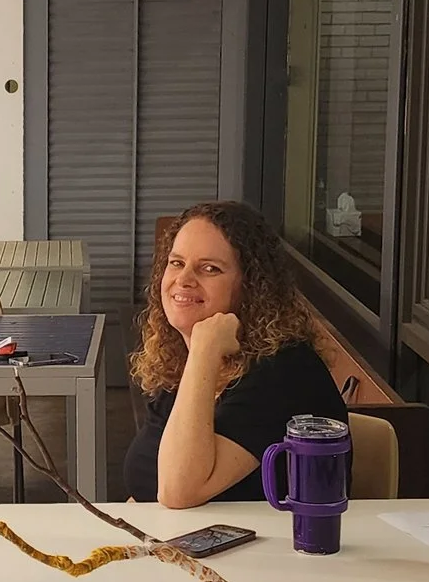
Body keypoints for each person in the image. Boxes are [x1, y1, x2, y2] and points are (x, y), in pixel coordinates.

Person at [122, 200, 346, 507]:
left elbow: (179, 491)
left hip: (273, 551)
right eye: (176, 263)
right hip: (183, 547)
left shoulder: (282, 372)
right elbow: (147, 484)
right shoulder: (179, 363)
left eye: (210, 268)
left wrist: (204, 350)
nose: (184, 279)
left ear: (250, 287)